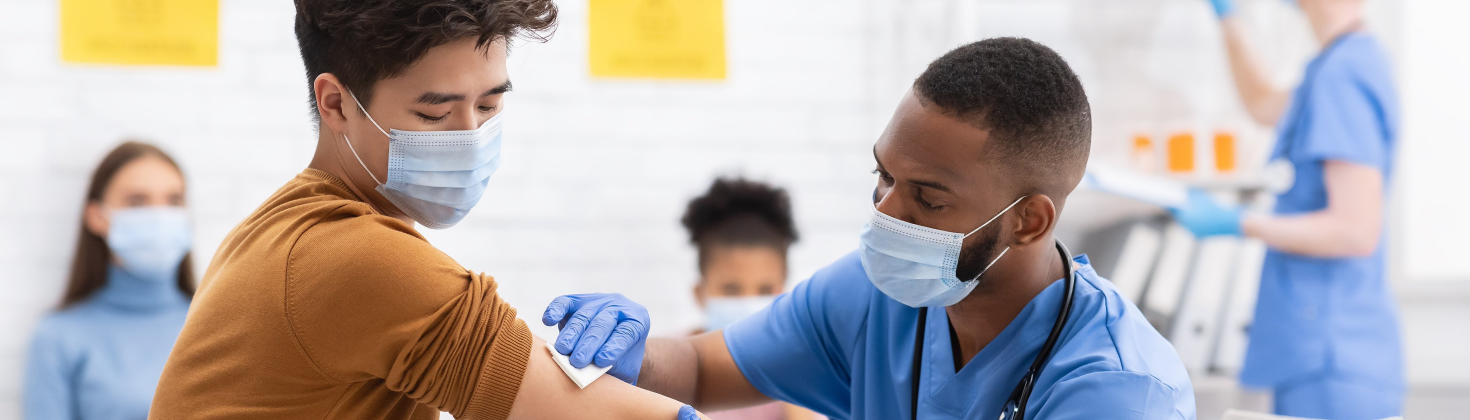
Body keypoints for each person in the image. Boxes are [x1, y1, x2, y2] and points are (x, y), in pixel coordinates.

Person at [547, 37, 1197, 419]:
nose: (886, 212)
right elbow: (697, 370)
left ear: (1029, 220)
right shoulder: (871, 297)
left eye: (927, 198)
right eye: (882, 176)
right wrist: (633, 352)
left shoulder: (1117, 389)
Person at [148, 1, 702, 419]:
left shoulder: (282, 231)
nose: (471, 136)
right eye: (435, 115)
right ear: (337, 103)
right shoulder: (352, 259)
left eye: (489, 104)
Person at [1171, 0, 1404, 418]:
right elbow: (1263, 104)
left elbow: (1355, 230)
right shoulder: (1337, 62)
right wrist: (1230, 20)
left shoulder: (1342, 74)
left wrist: (1239, 222)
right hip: (1323, 352)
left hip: (1332, 356)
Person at [25, 142, 196, 420]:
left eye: (174, 201)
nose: (159, 216)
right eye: (137, 201)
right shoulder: (58, 336)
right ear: (97, 216)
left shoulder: (218, 325)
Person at [679, 178, 821, 420]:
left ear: (782, 294)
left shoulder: (793, 371)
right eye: (731, 290)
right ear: (699, 293)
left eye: (765, 289)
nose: (748, 301)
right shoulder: (671, 364)